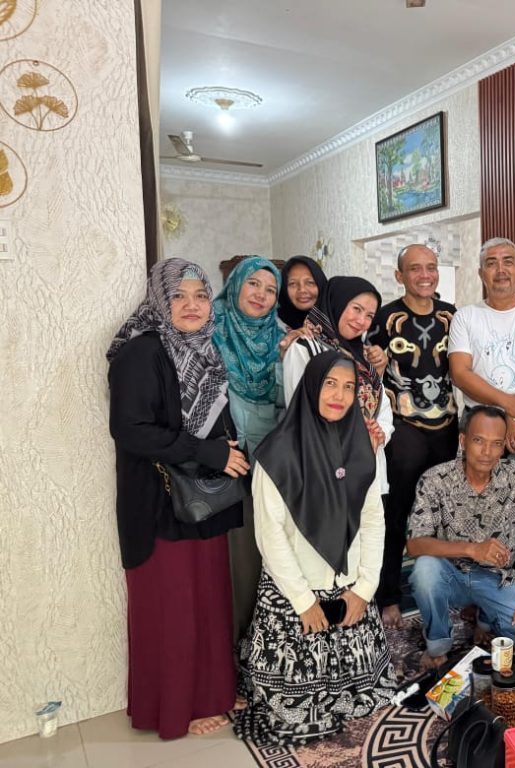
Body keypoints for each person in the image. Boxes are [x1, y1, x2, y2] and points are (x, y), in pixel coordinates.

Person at [107, 258, 249, 739]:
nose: (192, 305)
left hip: (204, 499)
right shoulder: (141, 353)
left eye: (201, 296)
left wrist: (227, 446)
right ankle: (175, 706)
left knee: (209, 599)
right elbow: (131, 430)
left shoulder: (207, 348)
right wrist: (208, 451)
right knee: (173, 606)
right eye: (178, 296)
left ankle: (213, 692)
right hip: (159, 504)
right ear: (159, 300)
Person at [235, 351, 398, 744]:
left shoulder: (362, 448)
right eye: (330, 384)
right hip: (296, 593)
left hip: (349, 588)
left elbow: (373, 520)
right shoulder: (277, 454)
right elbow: (270, 537)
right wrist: (303, 601)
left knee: (370, 696)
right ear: (311, 387)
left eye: (349, 387)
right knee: (294, 712)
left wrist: (364, 589)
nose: (339, 396)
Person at [406, 405, 515, 668]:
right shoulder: (435, 479)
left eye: (496, 444)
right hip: (450, 574)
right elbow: (415, 544)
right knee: (424, 570)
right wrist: (471, 549)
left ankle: (485, 616)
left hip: (497, 578)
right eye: (479, 441)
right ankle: (439, 642)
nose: (487, 452)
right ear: (463, 440)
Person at [448, 237, 515, 584]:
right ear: (481, 272)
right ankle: (477, 588)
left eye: (508, 261)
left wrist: (514, 415)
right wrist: (507, 409)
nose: (500, 270)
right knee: (476, 506)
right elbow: (460, 373)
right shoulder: (466, 317)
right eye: (491, 262)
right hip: (479, 429)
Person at [365, 244, 459, 629]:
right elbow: (362, 365)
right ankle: (388, 595)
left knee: (446, 512)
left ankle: (447, 588)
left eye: (431, 267)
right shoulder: (384, 318)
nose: (425, 275)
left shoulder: (452, 315)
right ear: (399, 275)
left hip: (447, 425)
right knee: (396, 512)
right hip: (403, 427)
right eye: (415, 268)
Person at [212, 256, 286, 638]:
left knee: (269, 552)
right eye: (253, 284)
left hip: (270, 462)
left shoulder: (281, 339)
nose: (261, 295)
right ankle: (232, 642)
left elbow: (288, 402)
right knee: (232, 560)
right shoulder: (209, 330)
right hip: (220, 463)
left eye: (270, 289)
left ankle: (265, 641)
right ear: (235, 284)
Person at [282, 276, 394, 495]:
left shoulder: (365, 356)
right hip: (325, 469)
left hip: (368, 465)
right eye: (356, 309)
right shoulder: (305, 349)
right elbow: (299, 411)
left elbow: (383, 408)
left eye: (369, 315)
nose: (361, 321)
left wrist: (380, 433)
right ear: (337, 303)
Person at [277, 256, 328, 331]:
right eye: (293, 284)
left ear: (321, 284)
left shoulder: (339, 321)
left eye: (310, 282)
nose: (302, 290)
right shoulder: (274, 327)